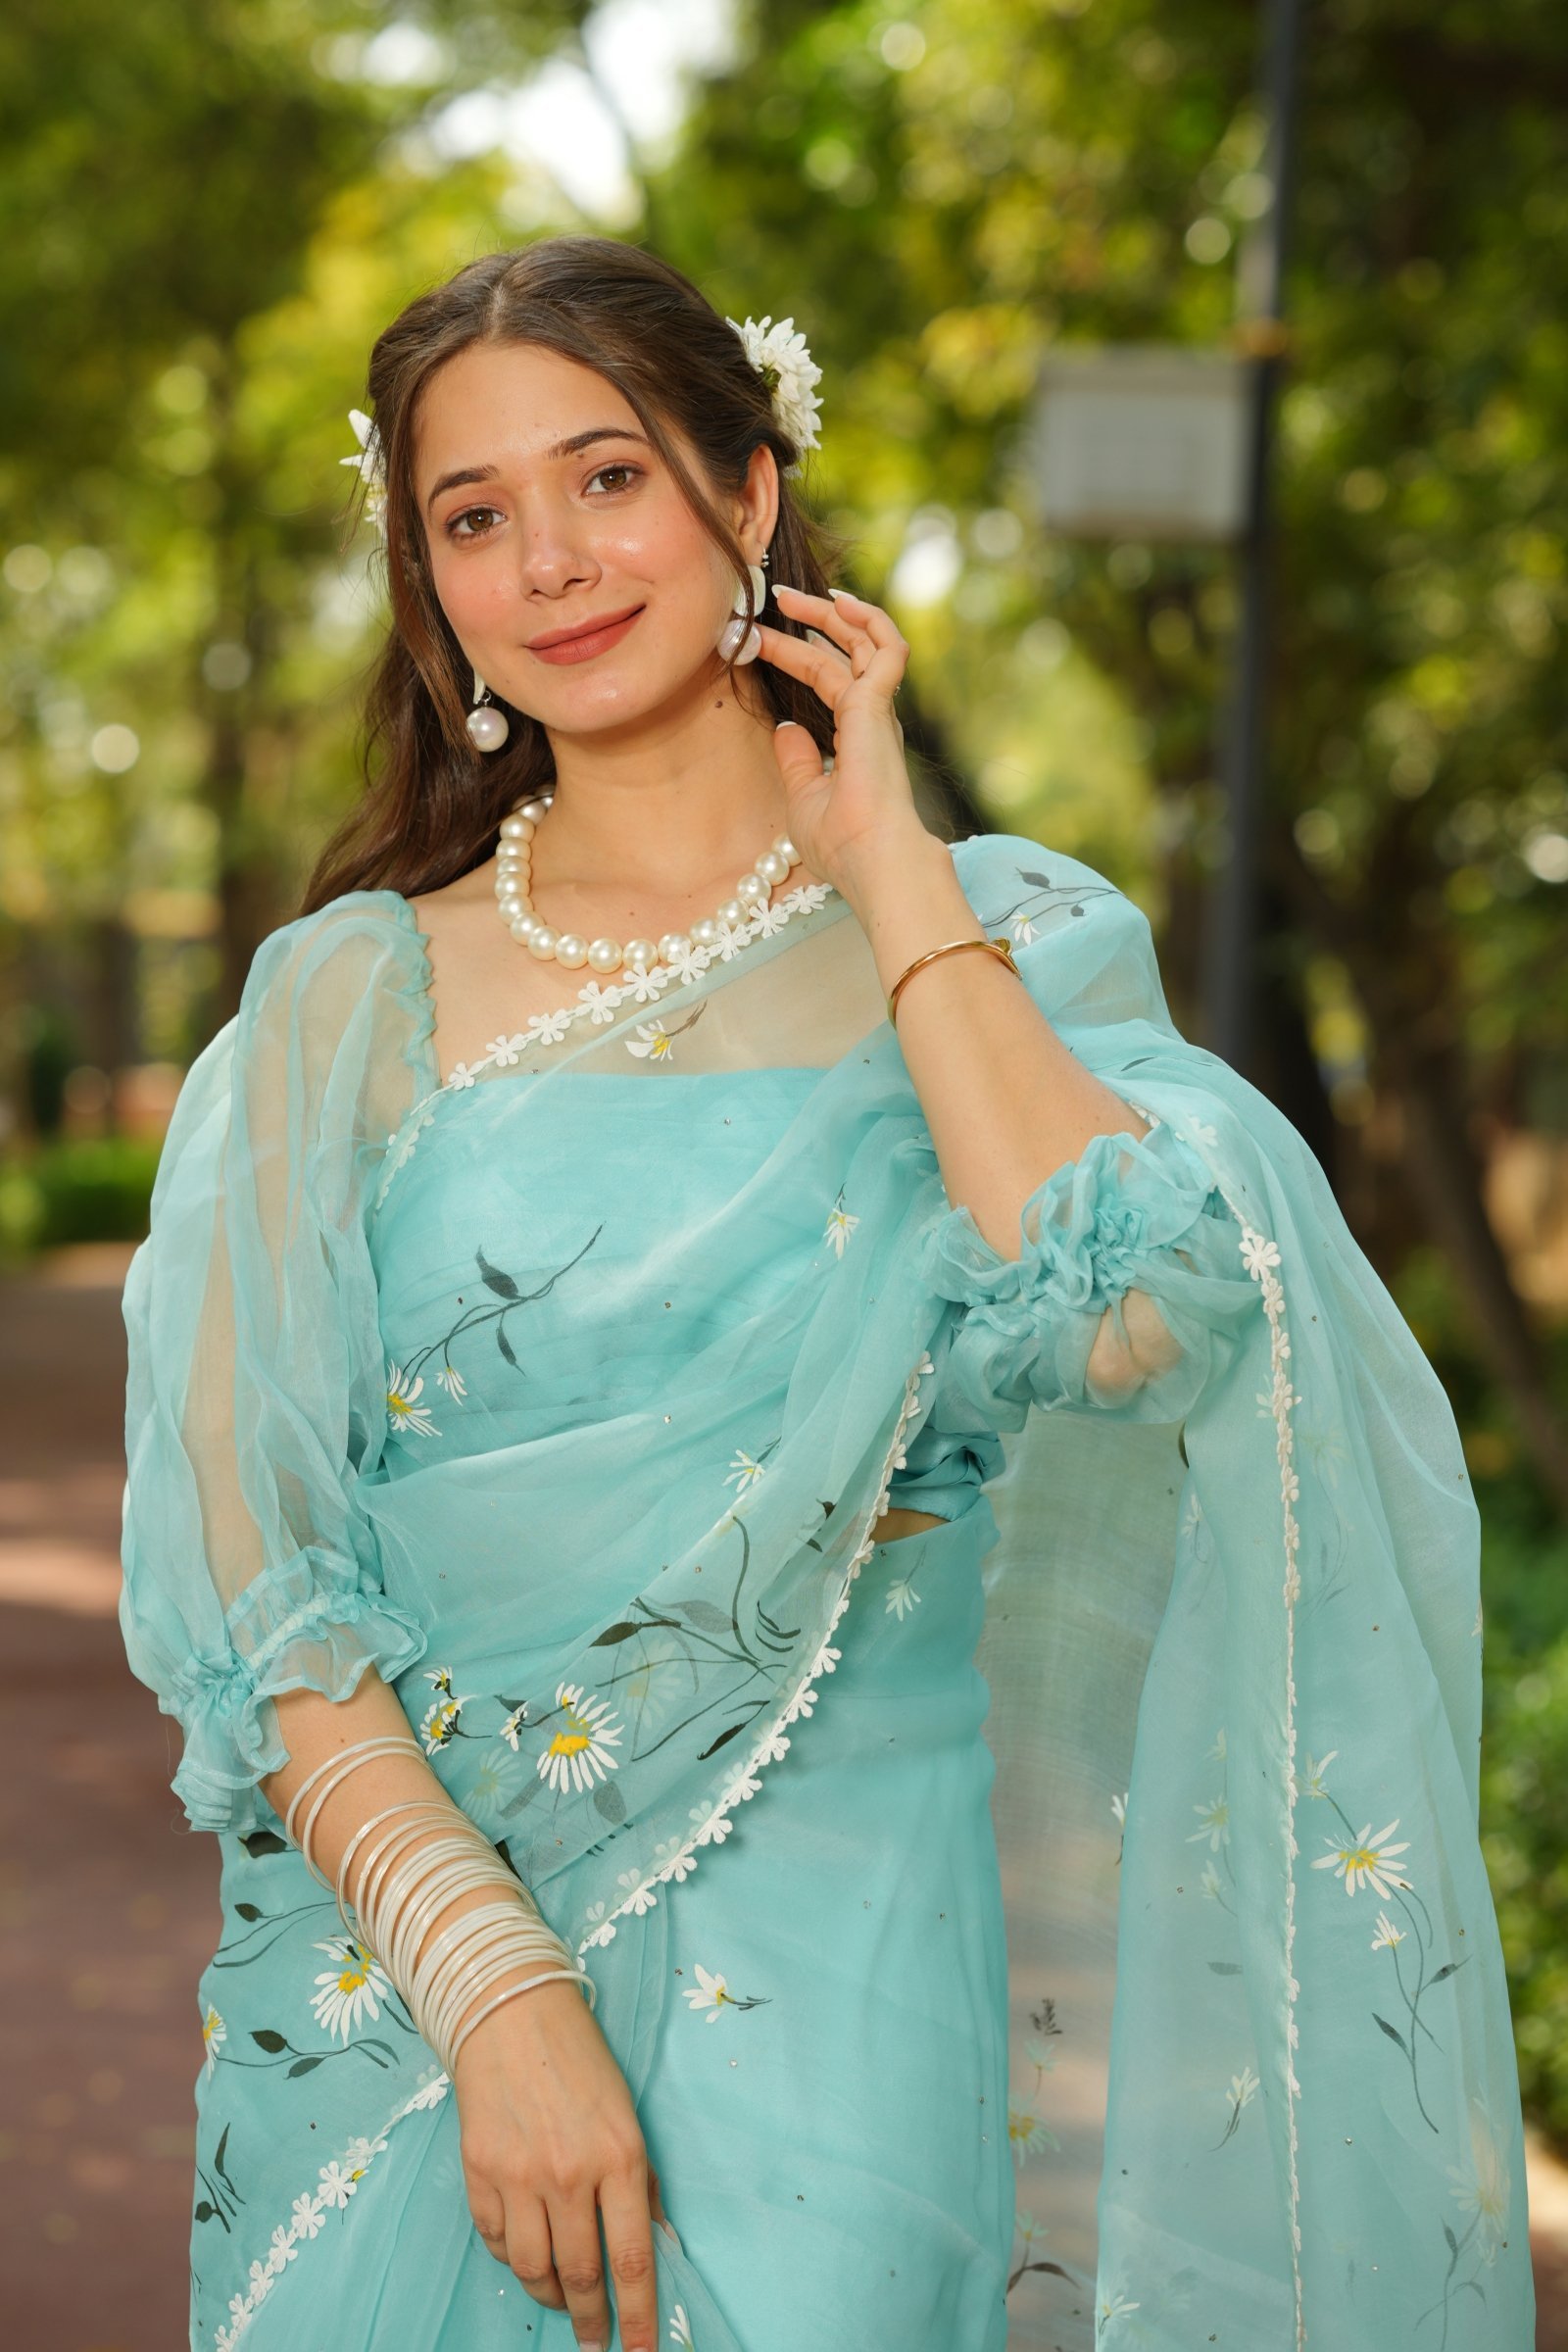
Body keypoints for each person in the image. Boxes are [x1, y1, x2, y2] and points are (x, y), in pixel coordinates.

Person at [118, 234, 1534, 2352]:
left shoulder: (1001, 947)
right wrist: (495, 1995)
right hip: (399, 1987)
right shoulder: (343, 999)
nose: (553, 562)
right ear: (431, 588)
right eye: (472, 517)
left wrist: (887, 879)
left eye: (606, 479)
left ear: (744, 495)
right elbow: (260, 1583)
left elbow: (1140, 1320)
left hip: (839, 1985)